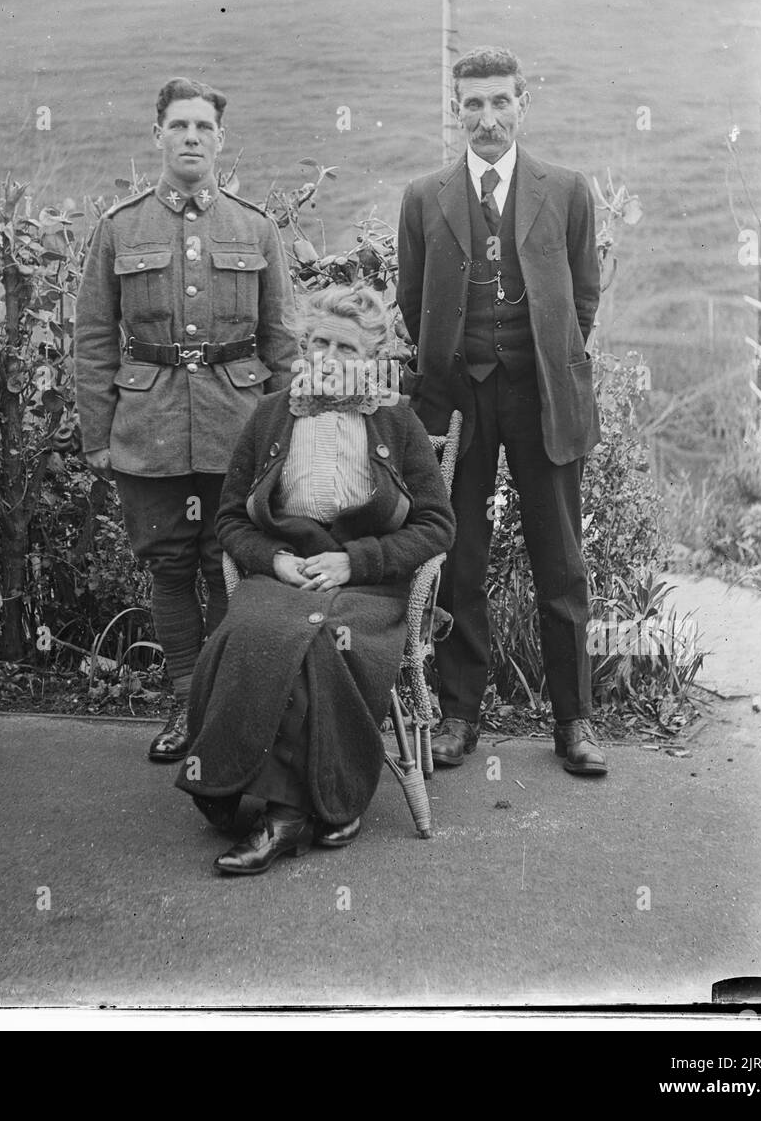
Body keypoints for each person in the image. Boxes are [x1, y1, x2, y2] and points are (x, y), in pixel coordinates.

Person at [172, 283, 457, 875]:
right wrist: (273, 560)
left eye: (346, 348)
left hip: (367, 585)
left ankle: (286, 816)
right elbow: (229, 518)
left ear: (372, 358)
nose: (328, 357)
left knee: (323, 640)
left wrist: (357, 561)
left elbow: (437, 526)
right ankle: (282, 793)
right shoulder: (272, 414)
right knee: (252, 631)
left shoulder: (397, 422)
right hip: (285, 572)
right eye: (318, 342)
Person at [396, 46, 607, 775]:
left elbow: (583, 299)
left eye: (500, 102)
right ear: (457, 110)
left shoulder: (568, 191)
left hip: (542, 395)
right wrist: (456, 364)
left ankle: (574, 721)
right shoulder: (425, 198)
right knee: (460, 558)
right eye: (473, 105)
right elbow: (410, 299)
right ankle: (458, 715)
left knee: (561, 561)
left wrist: (544, 357)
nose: (487, 119)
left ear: (523, 104)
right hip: (459, 401)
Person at [74, 76, 297, 761]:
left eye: (204, 127)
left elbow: (281, 341)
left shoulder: (255, 227)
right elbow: (92, 341)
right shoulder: (119, 228)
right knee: (170, 566)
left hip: (239, 424)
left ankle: (226, 707)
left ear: (220, 140)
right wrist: (99, 436)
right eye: (180, 126)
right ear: (158, 137)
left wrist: (288, 434)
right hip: (149, 428)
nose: (192, 137)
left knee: (227, 563)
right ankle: (182, 702)